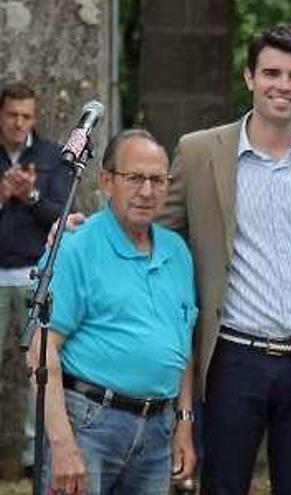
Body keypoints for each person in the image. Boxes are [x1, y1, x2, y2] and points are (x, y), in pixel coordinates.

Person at [157, 24, 291, 493]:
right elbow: (155, 231)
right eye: (271, 72)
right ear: (249, 77)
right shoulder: (199, 151)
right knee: (222, 486)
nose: (283, 85)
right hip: (231, 358)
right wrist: (91, 229)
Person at [30, 129, 197, 495]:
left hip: (157, 430)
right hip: (89, 424)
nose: (147, 191)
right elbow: (41, 351)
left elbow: (183, 347)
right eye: (135, 178)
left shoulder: (177, 252)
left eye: (157, 180)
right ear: (107, 181)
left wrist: (184, 422)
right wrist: (61, 444)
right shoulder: (76, 247)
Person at [0, 82, 71, 477]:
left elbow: (63, 215)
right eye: (12, 114)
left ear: (36, 116)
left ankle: (32, 455)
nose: (19, 122)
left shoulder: (52, 156)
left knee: (38, 370)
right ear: (0, 113)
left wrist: (29, 196)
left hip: (35, 275)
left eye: (26, 116)